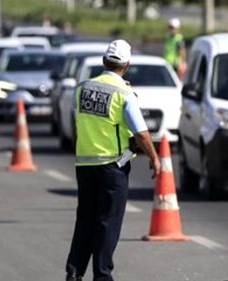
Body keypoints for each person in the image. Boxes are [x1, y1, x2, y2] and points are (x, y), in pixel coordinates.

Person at [65, 39, 161, 281]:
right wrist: (154, 157)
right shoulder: (124, 94)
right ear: (127, 65)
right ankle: (102, 275)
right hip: (112, 167)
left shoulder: (82, 88)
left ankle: (74, 271)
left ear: (103, 61)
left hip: (85, 164)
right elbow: (140, 132)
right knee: (107, 223)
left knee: (85, 219)